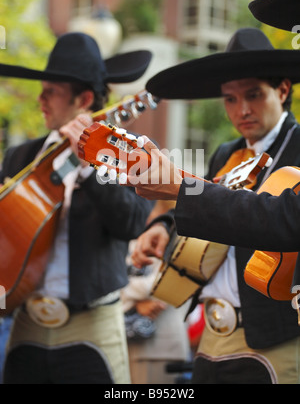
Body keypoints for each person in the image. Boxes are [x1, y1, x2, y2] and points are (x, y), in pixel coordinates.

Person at [123, 27, 300, 383]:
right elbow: (214, 204)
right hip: (212, 334)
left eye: (253, 94)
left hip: (277, 337)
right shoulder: (226, 153)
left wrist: (177, 187)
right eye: (230, 99)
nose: (242, 110)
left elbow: (273, 218)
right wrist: (162, 226)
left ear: (282, 90)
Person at [0, 32, 154, 384]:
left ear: (84, 99)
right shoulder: (20, 156)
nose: (40, 99)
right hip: (25, 325)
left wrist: (90, 163)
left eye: (50, 91)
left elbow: (131, 223)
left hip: (92, 329)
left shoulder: (127, 153)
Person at [121, 202, 190, 384]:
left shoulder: (184, 232)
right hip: (125, 343)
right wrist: (133, 302)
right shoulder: (130, 227)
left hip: (161, 347)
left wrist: (123, 292)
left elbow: (172, 281)